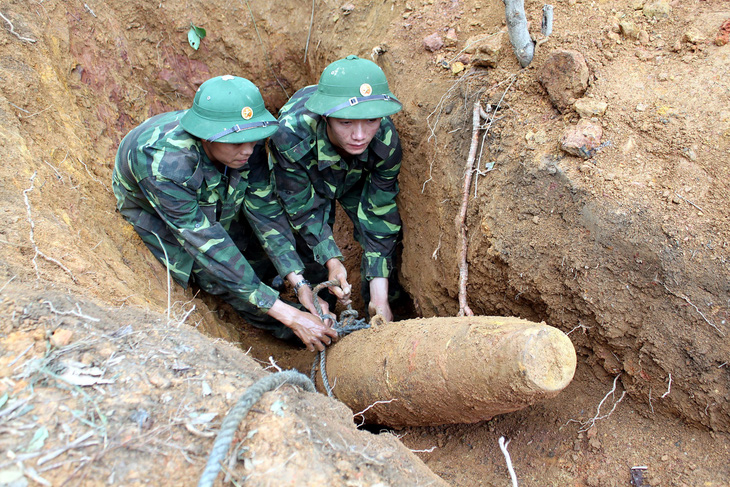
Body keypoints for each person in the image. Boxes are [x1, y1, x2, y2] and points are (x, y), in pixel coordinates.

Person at [112, 75, 337, 352]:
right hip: (158, 211)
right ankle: (301, 336)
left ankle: (278, 288)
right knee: (217, 276)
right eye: (237, 143)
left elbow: (264, 210)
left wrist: (300, 282)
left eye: (253, 140)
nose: (248, 150)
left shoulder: (244, 141)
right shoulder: (165, 165)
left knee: (250, 246)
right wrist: (290, 317)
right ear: (206, 134)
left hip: (212, 182)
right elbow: (207, 246)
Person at [268, 55, 404, 321]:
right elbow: (302, 209)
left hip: (356, 174)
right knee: (311, 255)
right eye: (346, 122)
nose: (360, 135)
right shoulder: (290, 136)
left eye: (371, 121)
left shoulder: (384, 138)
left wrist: (380, 298)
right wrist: (332, 261)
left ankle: (381, 311)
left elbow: (380, 213)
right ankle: (320, 313)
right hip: (310, 171)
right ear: (326, 117)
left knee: (387, 255)